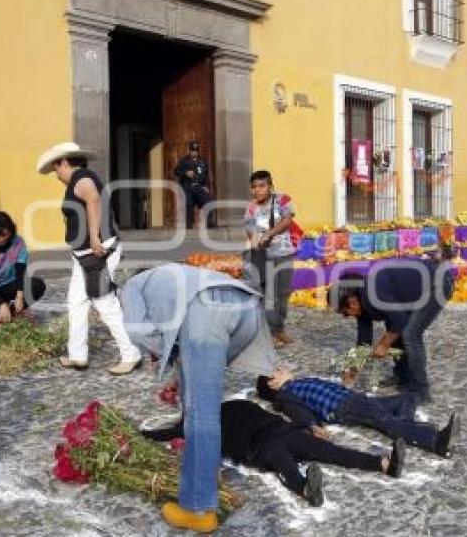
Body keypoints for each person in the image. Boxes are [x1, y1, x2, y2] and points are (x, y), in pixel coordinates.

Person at [121, 263, 276, 532]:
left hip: (207, 312)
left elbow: (137, 332)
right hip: (246, 309)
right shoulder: (174, 275)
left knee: (201, 413)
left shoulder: (133, 286)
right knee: (200, 401)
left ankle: (198, 509)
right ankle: (209, 467)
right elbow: (183, 346)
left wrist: (162, 355)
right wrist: (177, 368)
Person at [142, 399, 405, 515]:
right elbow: (168, 433)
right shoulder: (197, 425)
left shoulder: (222, 408)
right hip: (260, 445)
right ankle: (304, 488)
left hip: (281, 431)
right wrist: (141, 435)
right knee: (284, 461)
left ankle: (384, 464)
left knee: (330, 452)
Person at [36, 142, 142, 375]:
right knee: (76, 302)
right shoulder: (80, 179)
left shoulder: (82, 178)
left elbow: (93, 200)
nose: (57, 176)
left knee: (105, 304)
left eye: (56, 170)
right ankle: (77, 355)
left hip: (96, 254)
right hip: (82, 255)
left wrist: (94, 236)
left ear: (64, 162)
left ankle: (131, 354)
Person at [327, 260, 454, 403]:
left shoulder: (371, 294)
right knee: (395, 331)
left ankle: (421, 391)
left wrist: (384, 344)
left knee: (410, 335)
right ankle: (403, 378)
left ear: (351, 301)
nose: (346, 316)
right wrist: (352, 371)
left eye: (344, 312)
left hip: (438, 284)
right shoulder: (361, 303)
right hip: (416, 292)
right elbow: (364, 342)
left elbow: (400, 321)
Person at [255, 370, 460, 456]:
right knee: (386, 422)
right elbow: (296, 410)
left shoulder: (295, 383)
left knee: (406, 399)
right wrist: (312, 426)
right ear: (273, 384)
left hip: (353, 399)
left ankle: (407, 426)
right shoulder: (285, 394)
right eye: (276, 372)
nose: (281, 370)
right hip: (343, 407)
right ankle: (436, 442)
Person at [244, 170, 297, 348]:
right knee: (268, 296)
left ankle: (279, 328)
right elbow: (250, 230)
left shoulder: (283, 200)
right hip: (262, 257)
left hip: (284, 254)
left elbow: (287, 220)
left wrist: (269, 234)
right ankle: (270, 334)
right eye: (254, 187)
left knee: (283, 294)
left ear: (270, 186)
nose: (257, 190)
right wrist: (255, 242)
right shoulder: (251, 208)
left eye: (261, 186)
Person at [173, 141, 214, 229]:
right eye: (193, 150)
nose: (194, 152)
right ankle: (188, 226)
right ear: (190, 150)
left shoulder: (202, 161)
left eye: (196, 150)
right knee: (188, 205)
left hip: (199, 187)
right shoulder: (184, 161)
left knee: (209, 200)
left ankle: (209, 223)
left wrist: (206, 186)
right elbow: (176, 171)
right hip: (188, 187)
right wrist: (185, 173)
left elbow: (206, 175)